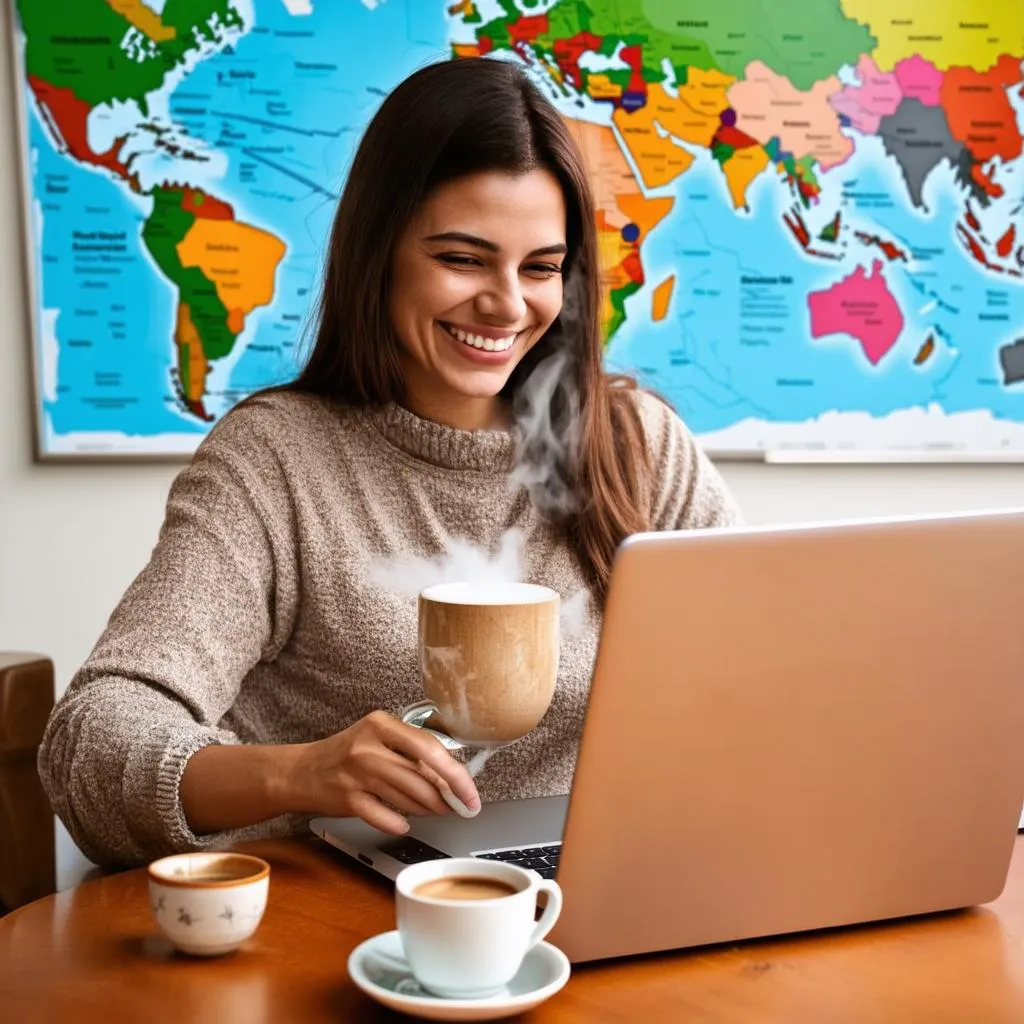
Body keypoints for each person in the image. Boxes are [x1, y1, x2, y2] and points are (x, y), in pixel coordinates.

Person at [39, 58, 741, 867]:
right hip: (331, 922)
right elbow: (89, 746)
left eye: (541, 268)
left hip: (590, 900)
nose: (509, 305)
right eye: (464, 258)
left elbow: (766, 680)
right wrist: (298, 773)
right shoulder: (275, 461)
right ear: (381, 253)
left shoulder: (637, 447)